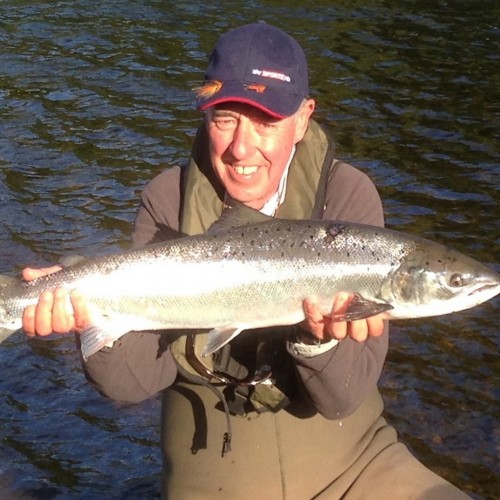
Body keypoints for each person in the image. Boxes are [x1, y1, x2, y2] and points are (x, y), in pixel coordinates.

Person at [22, 22, 470, 500]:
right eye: (225, 119)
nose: (241, 149)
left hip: (352, 455)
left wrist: (319, 343)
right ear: (205, 117)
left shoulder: (348, 195)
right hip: (212, 460)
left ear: (302, 119)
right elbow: (134, 383)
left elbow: (343, 398)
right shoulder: (167, 198)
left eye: (266, 122)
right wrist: (86, 316)